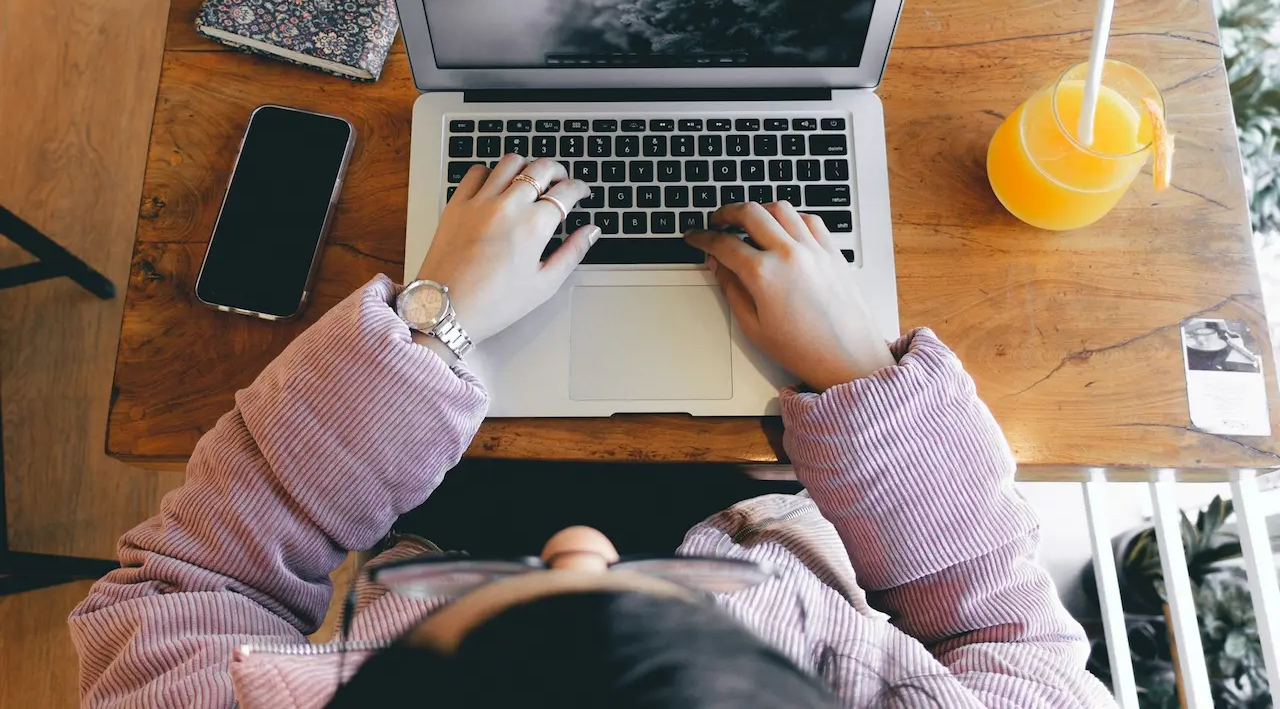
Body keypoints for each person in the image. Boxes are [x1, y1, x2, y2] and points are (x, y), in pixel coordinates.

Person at [69, 155, 1115, 708]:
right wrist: (858, 381)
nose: (579, 545)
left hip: (423, 507)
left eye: (529, 601)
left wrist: (434, 322)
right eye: (678, 621)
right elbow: (1000, 631)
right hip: (798, 513)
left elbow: (191, 587)